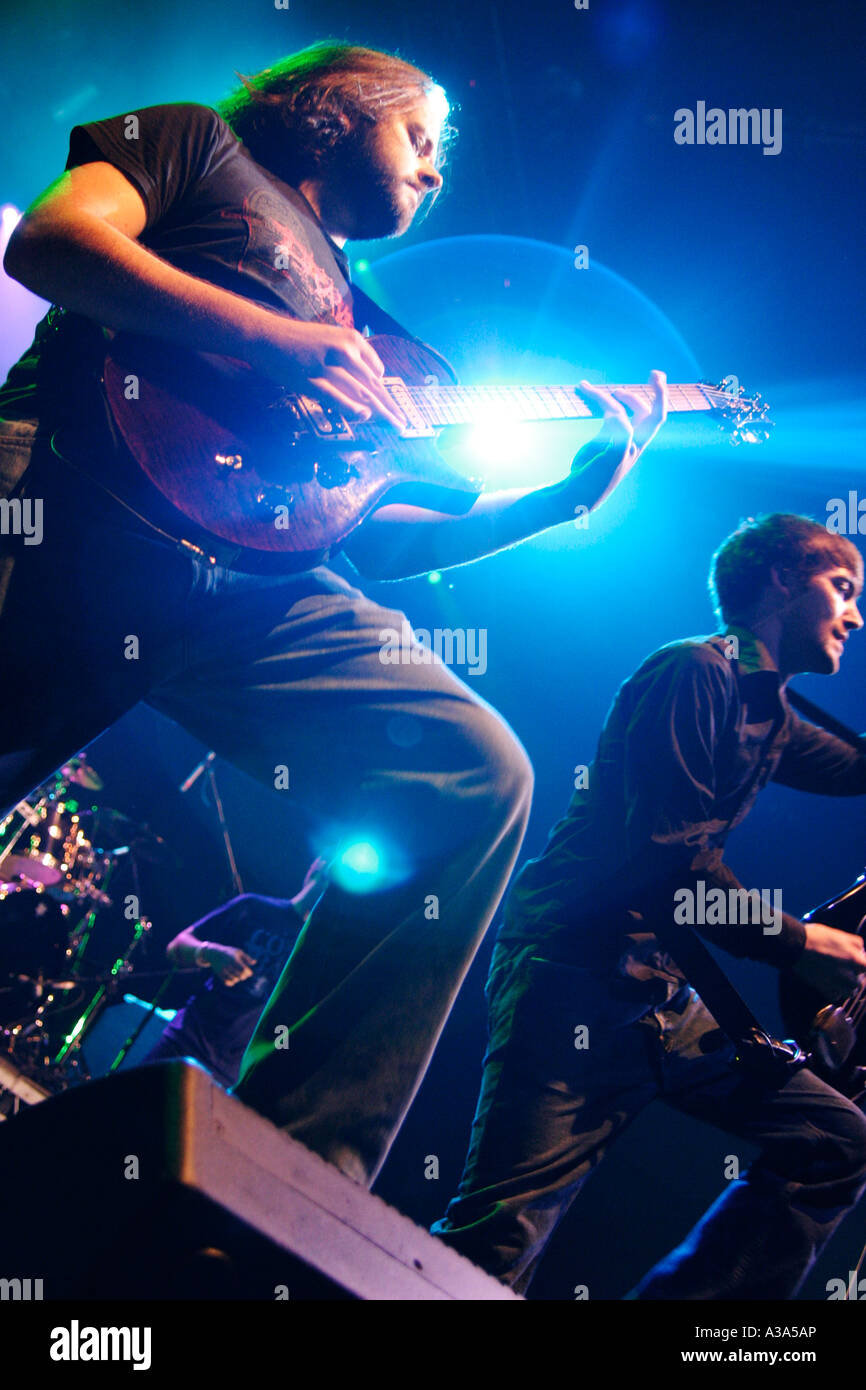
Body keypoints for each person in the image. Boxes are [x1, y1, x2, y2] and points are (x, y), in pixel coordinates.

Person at [0, 42, 667, 1186]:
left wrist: (557, 498)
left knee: (471, 775)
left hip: (244, 586)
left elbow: (379, 538)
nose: (437, 173)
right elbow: (51, 243)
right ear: (329, 109)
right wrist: (266, 335)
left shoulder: (377, 332)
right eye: (421, 136)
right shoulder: (190, 141)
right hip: (63, 489)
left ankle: (291, 1173)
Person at [433, 513, 866, 1297]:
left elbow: (857, 771)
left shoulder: (769, 712)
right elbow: (671, 870)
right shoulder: (693, 673)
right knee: (498, 1238)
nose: (856, 615)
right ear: (781, 579)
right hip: (577, 977)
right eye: (843, 588)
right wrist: (802, 944)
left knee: (836, 1141)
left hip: (664, 997)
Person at [144, 859, 327, 1088]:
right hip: (184, 1044)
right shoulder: (254, 908)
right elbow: (176, 947)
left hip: (232, 1076)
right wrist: (211, 952)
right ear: (317, 865)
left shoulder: (318, 953)